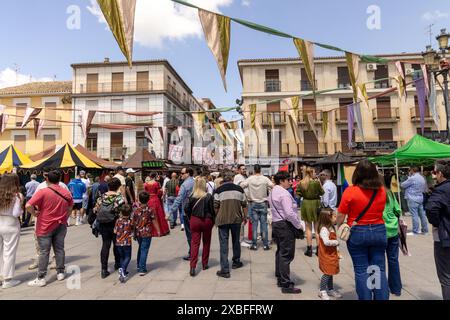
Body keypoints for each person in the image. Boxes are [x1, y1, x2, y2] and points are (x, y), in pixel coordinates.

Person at [337, 160, 389, 300]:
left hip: (358, 231)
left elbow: (341, 215)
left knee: (361, 270)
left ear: (357, 174)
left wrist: (339, 226)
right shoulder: (382, 191)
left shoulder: (350, 191)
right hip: (379, 230)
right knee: (378, 269)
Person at [26, 170, 73, 287]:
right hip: (61, 224)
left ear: (47, 179)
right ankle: (60, 272)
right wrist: (65, 217)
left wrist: (35, 213)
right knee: (59, 249)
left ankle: (41, 277)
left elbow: (28, 205)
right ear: (59, 179)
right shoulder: (66, 192)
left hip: (45, 225)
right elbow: (71, 206)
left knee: (44, 252)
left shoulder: (43, 191)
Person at [269, 171, 303, 294]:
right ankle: (285, 283)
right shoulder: (283, 194)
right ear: (281, 181)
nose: (290, 182)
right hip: (284, 225)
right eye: (288, 180)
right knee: (286, 254)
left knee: (280, 252)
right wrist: (299, 225)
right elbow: (289, 213)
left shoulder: (273, 191)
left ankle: (280, 277)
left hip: (277, 224)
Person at [214, 171, 247, 279]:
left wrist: (216, 217)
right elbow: (244, 205)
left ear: (223, 178)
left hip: (222, 220)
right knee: (236, 241)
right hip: (236, 219)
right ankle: (236, 262)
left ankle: (225, 269)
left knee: (224, 244)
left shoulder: (218, 190)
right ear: (232, 179)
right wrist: (245, 216)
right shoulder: (239, 189)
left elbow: (216, 206)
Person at [425, 160, 450, 300]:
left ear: (440, 173)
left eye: (435, 172)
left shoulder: (441, 189)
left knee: (446, 277)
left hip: (445, 237)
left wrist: (437, 223)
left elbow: (430, 209)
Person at [184, 176, 216, 277]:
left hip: (195, 220)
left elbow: (186, 209)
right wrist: (213, 220)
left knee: (194, 243)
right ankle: (204, 263)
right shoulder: (209, 196)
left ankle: (192, 266)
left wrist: (190, 217)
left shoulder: (192, 196)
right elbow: (212, 210)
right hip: (207, 220)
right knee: (206, 242)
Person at [94, 178, 125, 279]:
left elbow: (96, 209)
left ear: (108, 186)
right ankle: (118, 263)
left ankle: (104, 269)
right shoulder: (119, 198)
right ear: (118, 187)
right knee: (116, 244)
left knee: (105, 245)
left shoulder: (101, 197)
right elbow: (122, 212)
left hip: (103, 223)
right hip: (115, 223)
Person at [240, 164, 274, 250]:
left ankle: (254, 244)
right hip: (263, 203)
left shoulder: (250, 178)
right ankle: (265, 244)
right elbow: (272, 186)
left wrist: (247, 194)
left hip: (253, 203)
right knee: (264, 224)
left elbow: (241, 186)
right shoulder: (265, 179)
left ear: (254, 170)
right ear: (260, 170)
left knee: (254, 224)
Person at [0, 174, 23, 289]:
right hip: (11, 225)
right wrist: (22, 210)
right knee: (9, 252)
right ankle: (7, 280)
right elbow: (16, 213)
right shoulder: (17, 196)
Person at [383, 173, 403, 297]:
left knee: (379, 261)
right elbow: (398, 210)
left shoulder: (377, 194)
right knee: (393, 260)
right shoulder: (390, 193)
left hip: (381, 230)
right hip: (393, 230)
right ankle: (396, 288)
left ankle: (382, 288)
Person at [297, 167, 324, 257]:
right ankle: (318, 250)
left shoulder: (301, 183)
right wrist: (319, 183)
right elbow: (322, 192)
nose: (316, 174)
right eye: (315, 172)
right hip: (316, 204)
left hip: (306, 204)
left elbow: (298, 194)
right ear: (311, 173)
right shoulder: (316, 183)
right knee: (317, 229)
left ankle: (309, 250)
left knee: (308, 229)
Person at [133, 191, 160, 276]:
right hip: (147, 232)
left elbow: (133, 222)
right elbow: (154, 220)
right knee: (144, 249)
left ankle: (138, 265)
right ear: (148, 200)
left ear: (139, 200)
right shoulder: (150, 209)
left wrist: (134, 233)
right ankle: (142, 268)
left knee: (140, 248)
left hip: (138, 232)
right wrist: (158, 230)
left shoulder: (136, 210)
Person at [170, 168, 195, 261]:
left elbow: (179, 199)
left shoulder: (185, 185)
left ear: (188, 173)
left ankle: (192, 252)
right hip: (196, 211)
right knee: (195, 233)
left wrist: (171, 211)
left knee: (189, 234)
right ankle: (193, 250)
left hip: (187, 212)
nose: (181, 175)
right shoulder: (196, 182)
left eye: (182, 173)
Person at [317, 209, 342, 300]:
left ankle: (330, 289)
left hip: (332, 254)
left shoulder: (331, 227)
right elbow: (326, 242)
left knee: (331, 272)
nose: (336, 218)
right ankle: (322, 290)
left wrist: (338, 251)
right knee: (327, 273)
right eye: (334, 216)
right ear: (328, 218)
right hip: (326, 254)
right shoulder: (324, 229)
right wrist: (336, 242)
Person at [401, 167, 429, 236]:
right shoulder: (422, 177)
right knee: (422, 215)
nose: (409, 171)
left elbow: (402, 185)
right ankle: (425, 230)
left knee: (414, 215)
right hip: (420, 197)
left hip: (412, 198)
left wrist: (408, 178)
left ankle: (415, 231)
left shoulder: (412, 178)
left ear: (412, 170)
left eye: (410, 170)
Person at [144, 172, 170, 237]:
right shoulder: (156, 183)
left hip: (149, 200)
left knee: (150, 214)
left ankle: (151, 230)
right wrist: (161, 192)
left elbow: (145, 192)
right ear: (155, 176)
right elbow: (159, 192)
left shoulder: (146, 184)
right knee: (158, 214)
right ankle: (160, 230)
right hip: (155, 199)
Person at [114, 204, 133, 283]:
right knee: (128, 257)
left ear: (121, 212)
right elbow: (132, 231)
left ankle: (123, 271)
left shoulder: (118, 221)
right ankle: (123, 270)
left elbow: (114, 231)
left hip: (118, 242)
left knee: (122, 257)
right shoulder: (130, 222)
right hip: (127, 242)